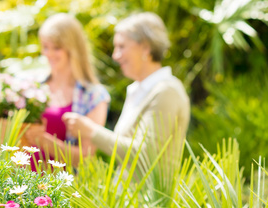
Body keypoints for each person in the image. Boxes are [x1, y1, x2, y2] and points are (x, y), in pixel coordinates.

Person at [63, 12, 190, 169]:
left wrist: (92, 131)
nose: (115, 56)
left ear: (145, 48)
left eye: (121, 47)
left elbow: (147, 156)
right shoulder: (138, 89)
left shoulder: (167, 91)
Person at [25, 13, 110, 167]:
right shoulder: (32, 85)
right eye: (45, 47)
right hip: (21, 184)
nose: (49, 54)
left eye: (56, 48)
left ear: (73, 49)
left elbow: (85, 157)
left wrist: (43, 140)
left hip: (61, 187)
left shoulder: (94, 96)